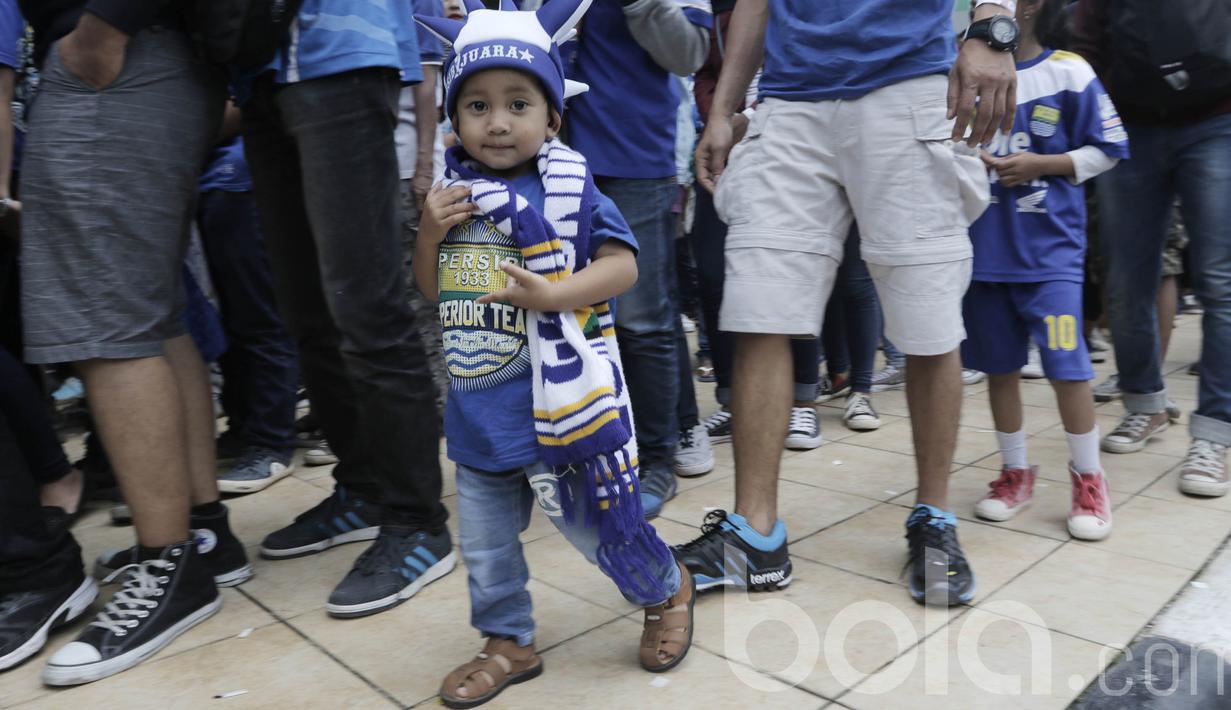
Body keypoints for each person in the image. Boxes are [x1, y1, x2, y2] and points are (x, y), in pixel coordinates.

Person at [680, 0, 1018, 606]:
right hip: (788, 100)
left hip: (911, 82)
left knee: (928, 319)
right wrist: (725, 109)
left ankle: (934, 518)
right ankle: (754, 536)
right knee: (759, 309)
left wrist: (993, 27)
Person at [413, 2, 695, 705]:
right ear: (454, 121)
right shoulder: (454, 199)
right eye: (476, 105)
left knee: (596, 530)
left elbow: (623, 266)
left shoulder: (569, 188)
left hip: (560, 419)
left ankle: (665, 588)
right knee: (485, 550)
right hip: (479, 418)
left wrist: (556, 293)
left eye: (517, 103)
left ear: (551, 118)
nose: (498, 121)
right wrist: (426, 232)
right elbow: (432, 288)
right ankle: (507, 640)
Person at [16, 0, 249, 684]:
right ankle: (201, 533)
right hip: (158, 60)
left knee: (106, 320)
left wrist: (102, 28)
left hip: (118, 56)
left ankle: (168, 564)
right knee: (150, 312)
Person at [240, 0, 454, 618]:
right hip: (259, 69)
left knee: (369, 310)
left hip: (343, 49)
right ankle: (361, 488)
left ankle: (419, 522)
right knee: (308, 313)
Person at [962, 0, 1127, 540]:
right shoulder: (963, 73)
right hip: (984, 258)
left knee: (1067, 367)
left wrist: (1042, 165)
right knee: (1000, 368)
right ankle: (1015, 472)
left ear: (1027, 7)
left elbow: (1109, 148)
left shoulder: (1069, 71)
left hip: (1051, 259)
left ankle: (1089, 478)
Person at [1073, 1, 1231, 494]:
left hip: (1218, 120)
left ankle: (1215, 434)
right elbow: (1087, 36)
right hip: (1131, 125)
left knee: (1219, 282)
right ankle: (1145, 405)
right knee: (1125, 278)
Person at [564, 0, 712, 518]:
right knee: (567, 314)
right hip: (550, 154)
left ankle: (656, 456)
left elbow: (689, 52)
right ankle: (589, 445)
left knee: (643, 316)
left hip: (634, 158)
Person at [690, 0, 823, 455]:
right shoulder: (715, 11)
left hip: (791, 131)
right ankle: (732, 397)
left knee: (790, 265)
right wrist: (721, 116)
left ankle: (804, 397)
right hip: (725, 137)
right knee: (714, 272)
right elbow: (706, 72)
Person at [199, 105, 301, 495]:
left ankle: (270, 443)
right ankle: (245, 429)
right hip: (211, 183)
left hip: (236, 180)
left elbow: (239, 108)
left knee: (261, 319)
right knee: (230, 321)